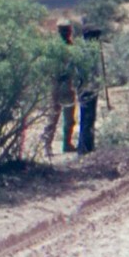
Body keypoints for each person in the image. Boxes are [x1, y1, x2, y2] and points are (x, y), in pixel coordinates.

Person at [41, 21, 77, 156]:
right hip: (58, 85)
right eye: (64, 30)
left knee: (69, 117)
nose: (67, 33)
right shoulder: (54, 48)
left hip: (68, 84)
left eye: (67, 30)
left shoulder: (71, 46)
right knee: (54, 116)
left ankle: (67, 144)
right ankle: (47, 146)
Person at [76, 23, 104, 155]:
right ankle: (84, 148)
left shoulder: (90, 50)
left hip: (91, 88)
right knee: (86, 118)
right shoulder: (84, 51)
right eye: (95, 36)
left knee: (90, 117)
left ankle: (88, 145)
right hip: (86, 89)